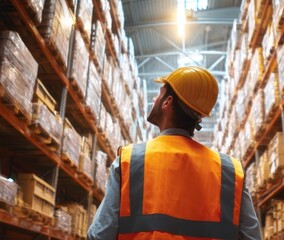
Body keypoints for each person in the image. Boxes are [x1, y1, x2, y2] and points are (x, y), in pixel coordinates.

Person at [88, 66, 262, 239]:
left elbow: (100, 235)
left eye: (159, 93)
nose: (155, 98)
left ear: (167, 102)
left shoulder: (129, 161)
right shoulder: (229, 172)